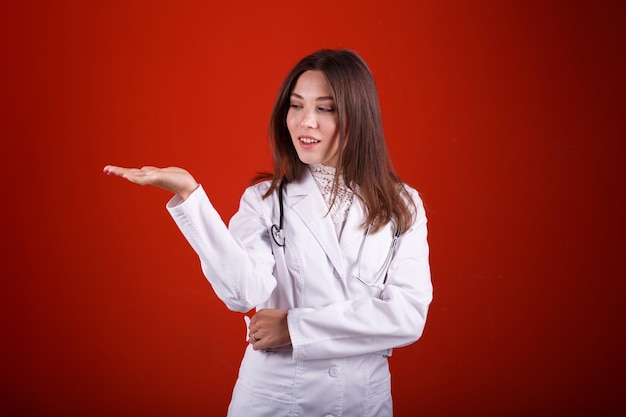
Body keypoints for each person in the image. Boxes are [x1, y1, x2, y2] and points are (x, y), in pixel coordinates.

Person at [104, 49, 432, 417]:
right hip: (278, 399)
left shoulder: (402, 204)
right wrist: (190, 196)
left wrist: (294, 328)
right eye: (296, 106)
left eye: (325, 108)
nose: (306, 122)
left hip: (361, 401)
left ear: (358, 116)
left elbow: (406, 317)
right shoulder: (264, 200)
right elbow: (243, 294)